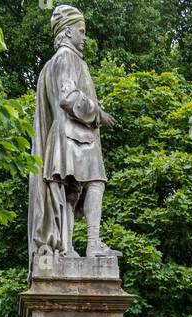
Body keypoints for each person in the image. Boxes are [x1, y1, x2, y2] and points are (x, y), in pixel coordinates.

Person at [27, 5, 116, 268]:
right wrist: (98, 114)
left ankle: (66, 248)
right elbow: (68, 97)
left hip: (63, 138)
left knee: (69, 193)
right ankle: (93, 242)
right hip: (74, 136)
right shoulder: (67, 58)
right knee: (96, 182)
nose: (84, 37)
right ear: (67, 32)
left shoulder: (52, 64)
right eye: (81, 31)